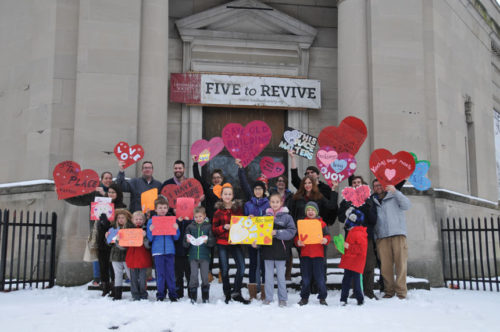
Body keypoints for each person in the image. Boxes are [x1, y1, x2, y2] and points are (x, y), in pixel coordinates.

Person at [64, 171, 113, 286]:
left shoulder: (114, 191)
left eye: (110, 178)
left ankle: (110, 276)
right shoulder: (94, 192)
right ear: (101, 180)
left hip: (111, 228)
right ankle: (97, 277)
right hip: (96, 227)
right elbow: (80, 200)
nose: (108, 180)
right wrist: (64, 195)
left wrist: (105, 195)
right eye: (106, 178)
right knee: (96, 251)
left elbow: (117, 204)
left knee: (110, 253)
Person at [337, 175, 377, 299]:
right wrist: (346, 208)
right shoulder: (346, 200)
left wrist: (366, 206)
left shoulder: (369, 199)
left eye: (358, 182)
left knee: (369, 265)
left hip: (366, 236)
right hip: (350, 237)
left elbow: (373, 219)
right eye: (354, 182)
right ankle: (356, 291)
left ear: (363, 184)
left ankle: (369, 291)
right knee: (352, 264)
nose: (356, 184)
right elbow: (340, 218)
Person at [372, 179, 411, 299]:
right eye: (375, 186)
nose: (378, 187)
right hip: (382, 237)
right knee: (385, 267)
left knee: (401, 265)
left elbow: (407, 205)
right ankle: (389, 291)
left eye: (380, 185)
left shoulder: (394, 195)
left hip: (397, 234)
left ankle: (401, 292)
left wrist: (396, 192)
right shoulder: (372, 200)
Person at [236, 158, 269, 300]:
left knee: (263, 265)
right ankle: (252, 292)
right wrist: (241, 169)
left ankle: (264, 292)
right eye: (255, 188)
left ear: (264, 190)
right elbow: (244, 184)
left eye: (260, 189)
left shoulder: (268, 203)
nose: (257, 191)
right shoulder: (248, 203)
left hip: (265, 238)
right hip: (251, 238)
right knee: (253, 264)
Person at [212, 185, 250, 304]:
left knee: (242, 267)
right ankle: (227, 294)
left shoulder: (237, 210)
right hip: (222, 243)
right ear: (221, 196)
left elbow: (243, 224)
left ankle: (236, 292)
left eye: (229, 194)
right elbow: (214, 229)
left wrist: (248, 219)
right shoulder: (218, 212)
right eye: (225, 194)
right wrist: (223, 227)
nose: (227, 196)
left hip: (235, 242)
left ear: (232, 196)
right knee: (224, 269)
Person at [161, 160, 191, 298]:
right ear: (173, 169)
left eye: (180, 167)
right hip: (173, 221)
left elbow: (195, 200)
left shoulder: (190, 184)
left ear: (184, 169)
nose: (178, 169)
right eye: (175, 167)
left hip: (188, 221)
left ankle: (191, 291)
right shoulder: (166, 184)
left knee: (188, 256)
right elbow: (162, 203)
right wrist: (170, 211)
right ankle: (178, 290)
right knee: (177, 258)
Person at [192, 157, 224, 282]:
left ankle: (222, 271)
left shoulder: (226, 190)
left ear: (222, 179)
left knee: (222, 249)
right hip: (210, 222)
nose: (216, 179)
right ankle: (209, 272)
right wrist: (195, 164)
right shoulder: (208, 188)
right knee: (210, 248)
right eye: (214, 177)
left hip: (222, 223)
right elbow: (198, 178)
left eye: (218, 177)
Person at [262, 192, 296, 307]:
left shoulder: (287, 217)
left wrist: (277, 233)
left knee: (281, 276)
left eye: (277, 202)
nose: (275, 204)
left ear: (281, 203)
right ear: (269, 203)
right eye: (272, 202)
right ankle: (268, 298)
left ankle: (282, 298)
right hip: (268, 250)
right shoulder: (265, 217)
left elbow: (292, 232)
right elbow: (259, 233)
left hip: (281, 251)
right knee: (268, 276)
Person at [295, 202, 331, 306]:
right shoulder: (301, 223)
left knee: (320, 278)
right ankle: (304, 297)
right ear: (306, 212)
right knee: (305, 279)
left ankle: (322, 297)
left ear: (316, 211)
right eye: (308, 210)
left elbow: (328, 235)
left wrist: (325, 240)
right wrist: (298, 241)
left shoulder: (321, 223)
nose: (310, 212)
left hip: (318, 256)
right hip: (305, 255)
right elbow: (297, 237)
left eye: (312, 210)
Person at [146, 196, 180, 302]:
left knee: (170, 274)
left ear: (167, 208)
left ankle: (172, 294)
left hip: (170, 250)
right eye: (160, 208)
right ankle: (160, 294)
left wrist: (176, 229)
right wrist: (150, 230)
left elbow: (176, 238)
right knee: (160, 274)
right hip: (158, 251)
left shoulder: (171, 220)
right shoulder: (151, 221)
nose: (162, 210)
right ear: (155, 209)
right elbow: (150, 238)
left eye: (165, 207)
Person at [96, 182, 127, 297]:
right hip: (102, 237)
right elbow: (96, 220)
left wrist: (108, 223)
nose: (111, 194)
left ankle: (115, 286)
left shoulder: (122, 206)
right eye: (109, 192)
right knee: (103, 263)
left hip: (115, 238)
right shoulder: (102, 204)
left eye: (113, 192)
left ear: (118, 193)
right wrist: (101, 221)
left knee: (113, 264)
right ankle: (105, 286)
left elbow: (122, 222)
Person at [184, 207, 215, 303]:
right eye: (196, 217)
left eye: (200, 216)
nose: (198, 218)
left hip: (205, 256)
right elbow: (184, 244)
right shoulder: (190, 227)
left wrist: (207, 241)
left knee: (205, 276)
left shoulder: (208, 227)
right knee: (193, 276)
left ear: (204, 216)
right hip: (193, 256)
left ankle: (205, 297)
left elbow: (213, 242)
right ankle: (193, 297)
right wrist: (187, 241)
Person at [269, 175, 294, 280]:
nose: (281, 182)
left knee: (287, 250)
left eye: (283, 181)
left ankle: (287, 273)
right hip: (274, 222)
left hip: (286, 222)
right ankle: (273, 273)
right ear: (276, 183)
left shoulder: (290, 195)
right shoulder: (270, 194)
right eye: (279, 181)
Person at [339, 221, 368, 306]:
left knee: (356, 282)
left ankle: (359, 299)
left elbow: (361, 249)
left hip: (356, 262)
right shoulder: (352, 232)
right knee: (346, 281)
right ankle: (344, 299)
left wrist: (349, 246)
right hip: (349, 261)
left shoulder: (359, 233)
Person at [125, 211, 152, 301]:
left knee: (143, 278)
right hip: (132, 257)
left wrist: (144, 237)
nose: (138, 221)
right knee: (133, 278)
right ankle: (135, 294)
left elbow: (148, 245)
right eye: (136, 219)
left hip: (142, 257)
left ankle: (143, 293)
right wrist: (118, 240)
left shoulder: (146, 230)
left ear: (144, 221)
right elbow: (123, 246)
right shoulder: (129, 230)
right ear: (132, 220)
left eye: (140, 219)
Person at [108, 208, 134, 300]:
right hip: (115, 255)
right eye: (119, 218)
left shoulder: (130, 228)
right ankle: (117, 294)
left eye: (123, 217)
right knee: (117, 274)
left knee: (130, 274)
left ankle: (135, 292)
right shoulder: (113, 229)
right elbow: (108, 242)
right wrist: (108, 237)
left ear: (127, 218)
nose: (121, 220)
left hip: (127, 254)